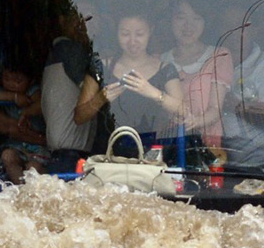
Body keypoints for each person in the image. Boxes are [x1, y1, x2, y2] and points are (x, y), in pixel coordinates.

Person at [74, 12, 183, 148]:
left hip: (151, 157)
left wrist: (153, 93)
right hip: (106, 155)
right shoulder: (100, 67)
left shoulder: (165, 69)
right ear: (116, 32)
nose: (132, 41)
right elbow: (79, 117)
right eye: (125, 34)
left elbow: (183, 111)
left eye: (139, 34)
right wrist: (100, 98)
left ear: (151, 31)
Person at [160, 0, 233, 152]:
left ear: (206, 22)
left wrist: (195, 122)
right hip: (169, 145)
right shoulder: (160, 60)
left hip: (208, 147)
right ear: (170, 20)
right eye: (181, 17)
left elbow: (216, 109)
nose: (188, 26)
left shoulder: (220, 55)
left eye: (197, 18)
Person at [218, 2, 264, 171]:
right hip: (216, 160)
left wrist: (236, 105)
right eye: (228, 25)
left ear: (255, 30)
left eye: (242, 26)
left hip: (258, 164)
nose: (234, 32)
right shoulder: (210, 62)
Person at [40, 8, 100, 174]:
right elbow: (98, 91)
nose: (83, 25)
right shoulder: (71, 50)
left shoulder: (58, 50)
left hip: (63, 152)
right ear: (62, 20)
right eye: (78, 18)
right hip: (71, 155)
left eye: (89, 19)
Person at [0, 63, 50, 183]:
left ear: (30, 81)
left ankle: (32, 194)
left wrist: (26, 112)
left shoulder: (33, 91)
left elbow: (40, 105)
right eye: (6, 79)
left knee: (33, 169)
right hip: (15, 144)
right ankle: (20, 190)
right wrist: (15, 97)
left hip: (38, 147)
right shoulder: (4, 93)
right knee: (7, 156)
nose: (11, 84)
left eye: (18, 81)